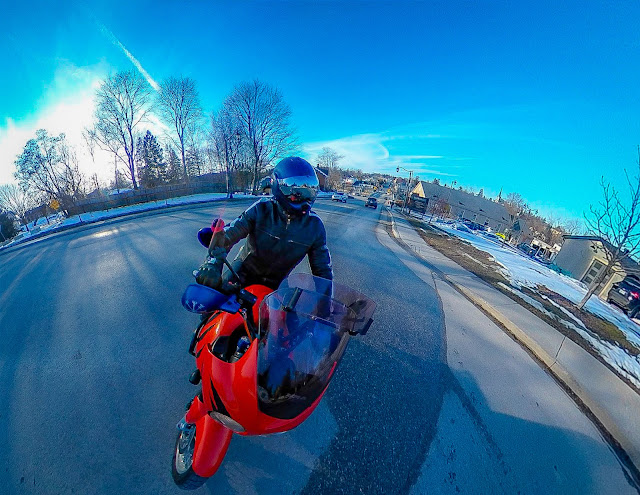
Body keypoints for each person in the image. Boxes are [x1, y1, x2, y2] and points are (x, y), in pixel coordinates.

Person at [195, 156, 333, 293]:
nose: (303, 197)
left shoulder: (315, 227)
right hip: (240, 275)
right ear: (277, 185)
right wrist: (212, 262)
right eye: (295, 189)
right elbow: (230, 233)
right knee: (213, 300)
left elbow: (323, 271)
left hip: (275, 288)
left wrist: (325, 301)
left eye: (309, 190)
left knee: (290, 307)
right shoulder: (261, 208)